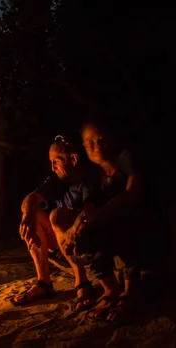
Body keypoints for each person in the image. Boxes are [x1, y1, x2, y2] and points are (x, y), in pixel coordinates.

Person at [68, 120, 167, 322]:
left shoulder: (128, 159)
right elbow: (89, 208)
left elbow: (132, 195)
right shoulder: (92, 177)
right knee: (83, 235)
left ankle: (131, 291)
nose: (96, 145)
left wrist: (94, 218)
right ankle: (110, 289)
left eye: (101, 139)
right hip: (116, 236)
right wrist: (78, 226)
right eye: (89, 141)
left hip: (148, 234)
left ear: (112, 139)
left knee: (123, 215)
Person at [12, 136, 96, 309]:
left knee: (57, 215)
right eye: (50, 162)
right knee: (32, 212)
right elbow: (31, 198)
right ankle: (44, 283)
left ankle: (82, 282)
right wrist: (28, 218)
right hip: (61, 245)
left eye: (56, 162)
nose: (52, 167)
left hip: (87, 243)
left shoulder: (90, 180)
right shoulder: (58, 181)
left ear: (73, 159)